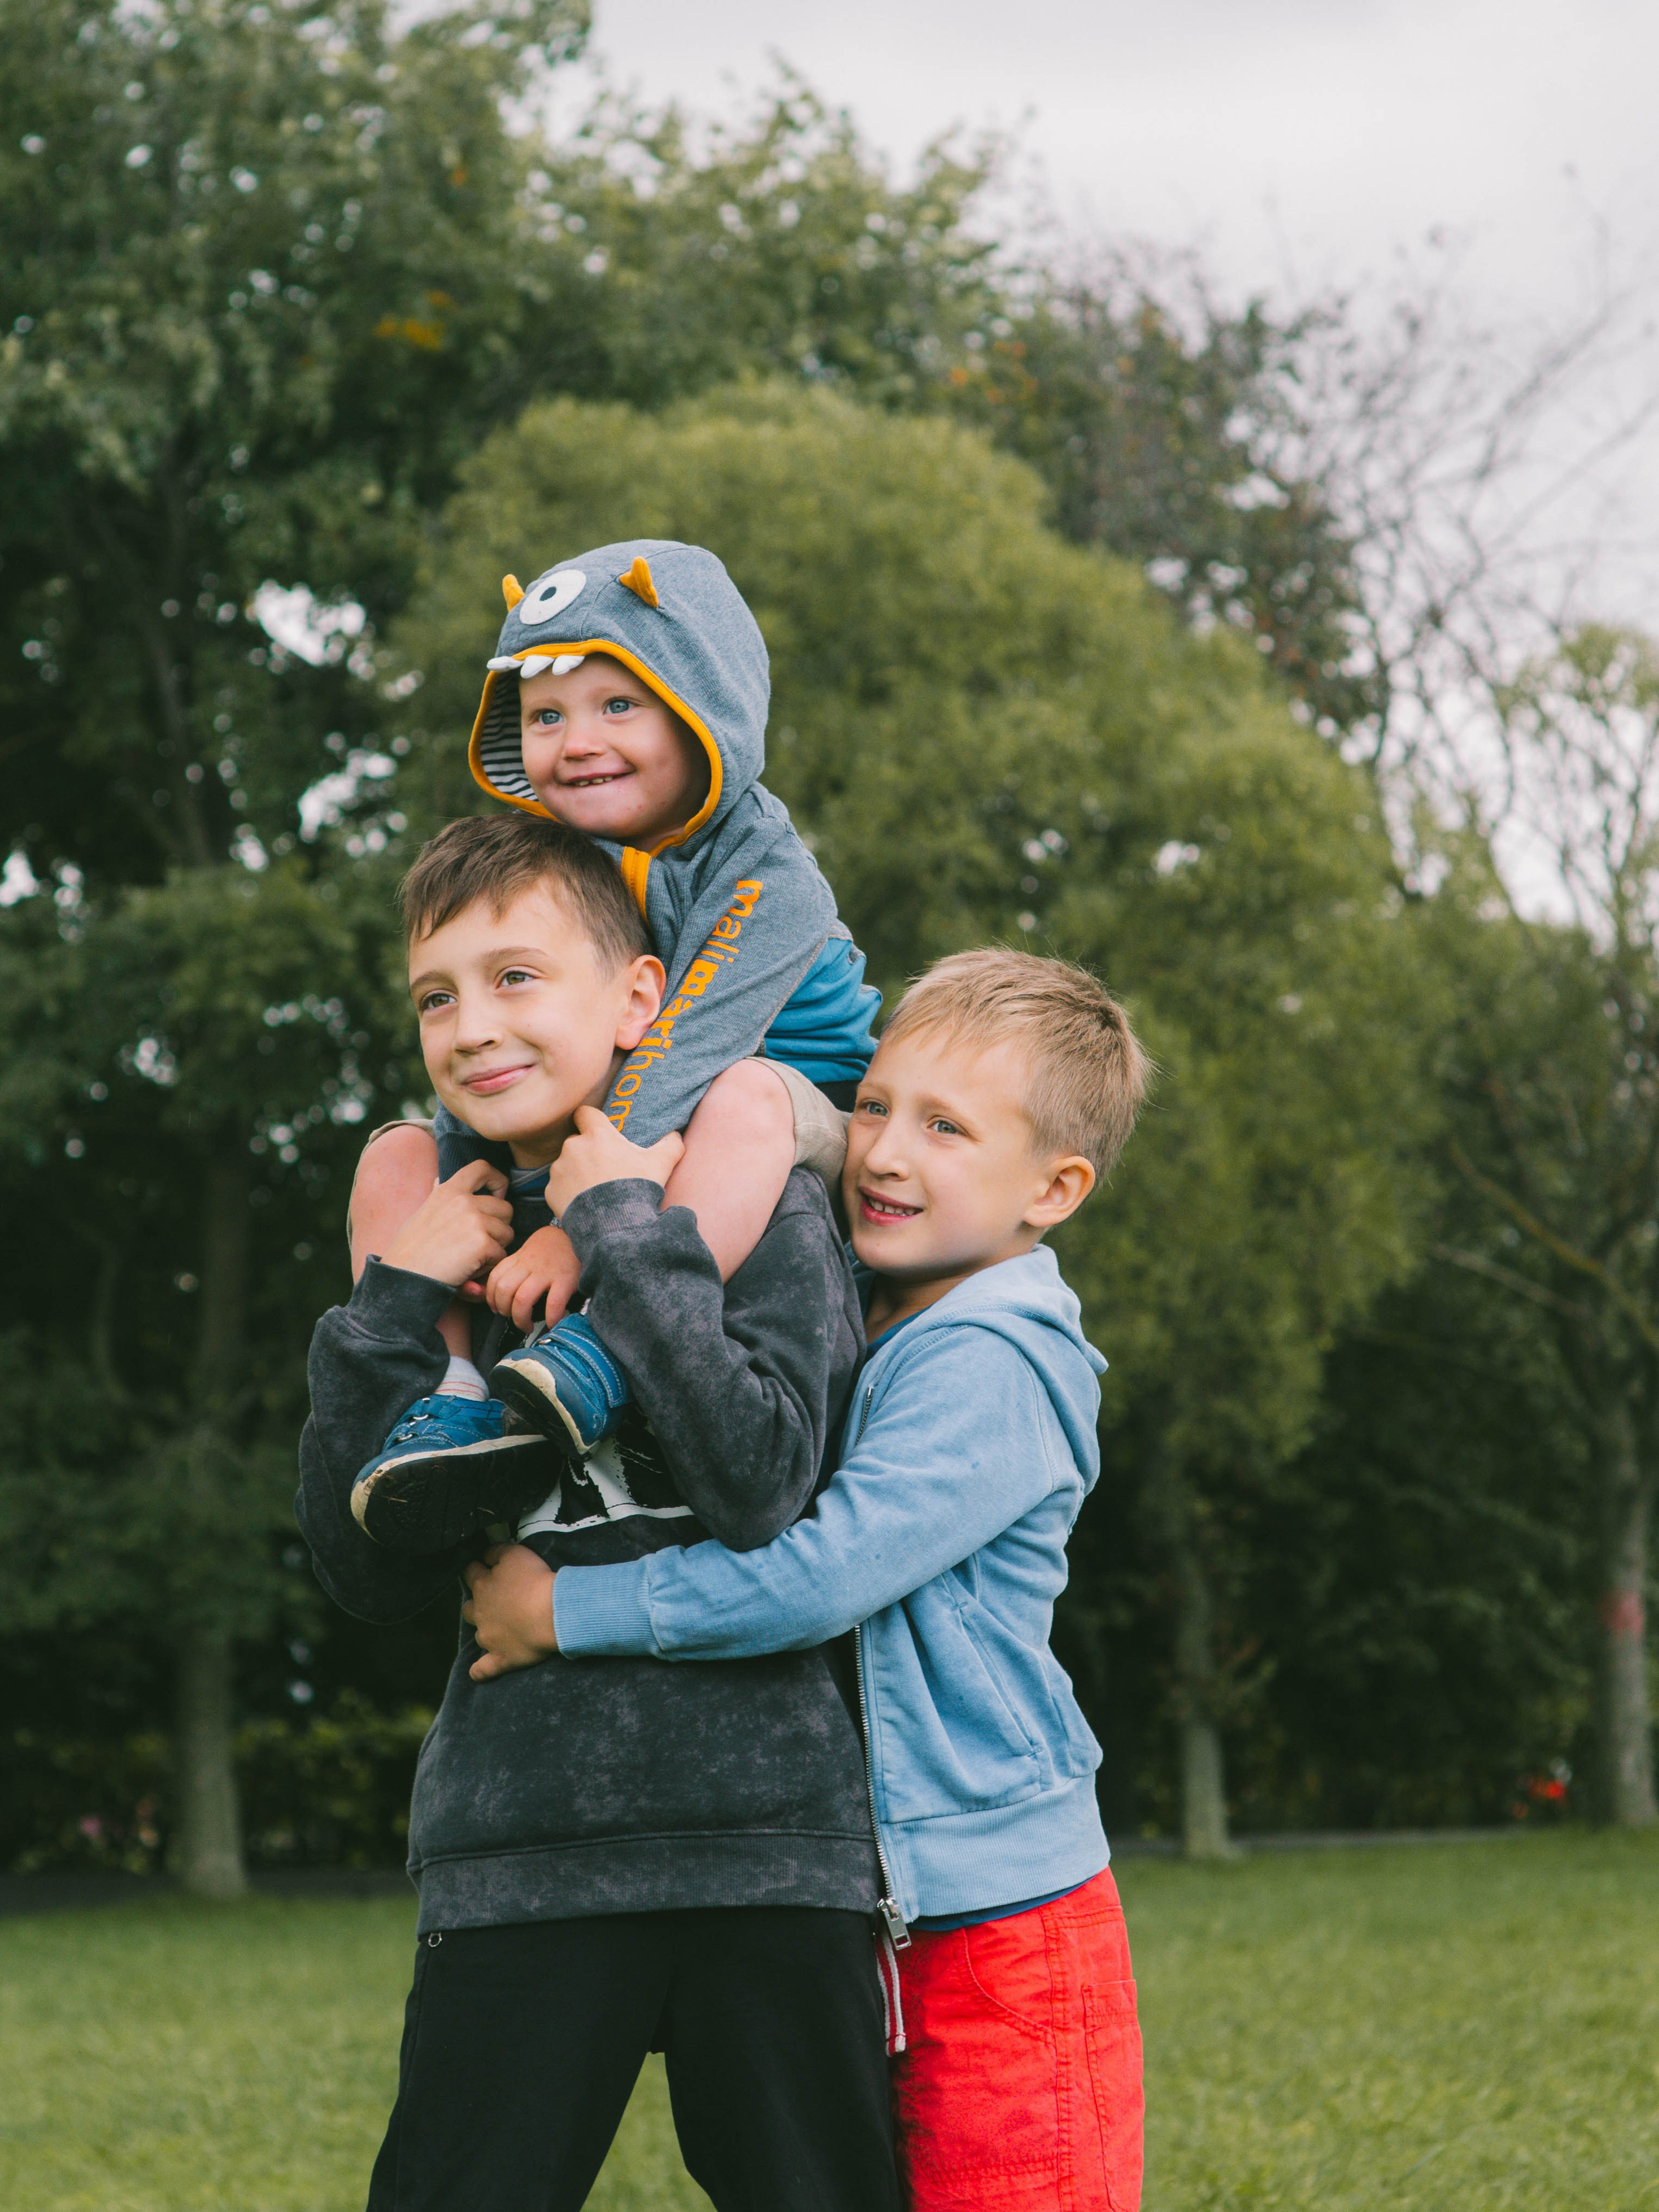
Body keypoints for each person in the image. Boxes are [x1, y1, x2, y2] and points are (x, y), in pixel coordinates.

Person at [463, 947, 1152, 2212]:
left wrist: (571, 1609)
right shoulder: (884, 1315)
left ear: (1052, 1189)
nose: (884, 1152)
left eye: (946, 1128)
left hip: (1000, 1923)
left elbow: (815, 1577)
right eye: (877, 1106)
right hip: (892, 1909)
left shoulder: (989, 1362)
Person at [296, 811, 903, 2212]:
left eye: (517, 977)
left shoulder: (750, 1205)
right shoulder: (442, 1229)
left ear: (640, 998)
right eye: (437, 994)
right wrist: (392, 1297)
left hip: (766, 1841)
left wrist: (629, 1230)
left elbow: (761, 1486)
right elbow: (366, 1571)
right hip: (518, 1848)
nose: (469, 1024)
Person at [350, 538, 877, 1539]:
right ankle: (449, 1387)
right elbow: (510, 1035)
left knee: (740, 1102)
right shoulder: (578, 862)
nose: (576, 740)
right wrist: (459, 1154)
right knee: (409, 1150)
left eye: (618, 705)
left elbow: (691, 1046)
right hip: (653, 1093)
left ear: (703, 703)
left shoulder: (767, 867)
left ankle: (599, 1343)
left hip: (797, 1100)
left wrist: (565, 1229)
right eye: (545, 715)